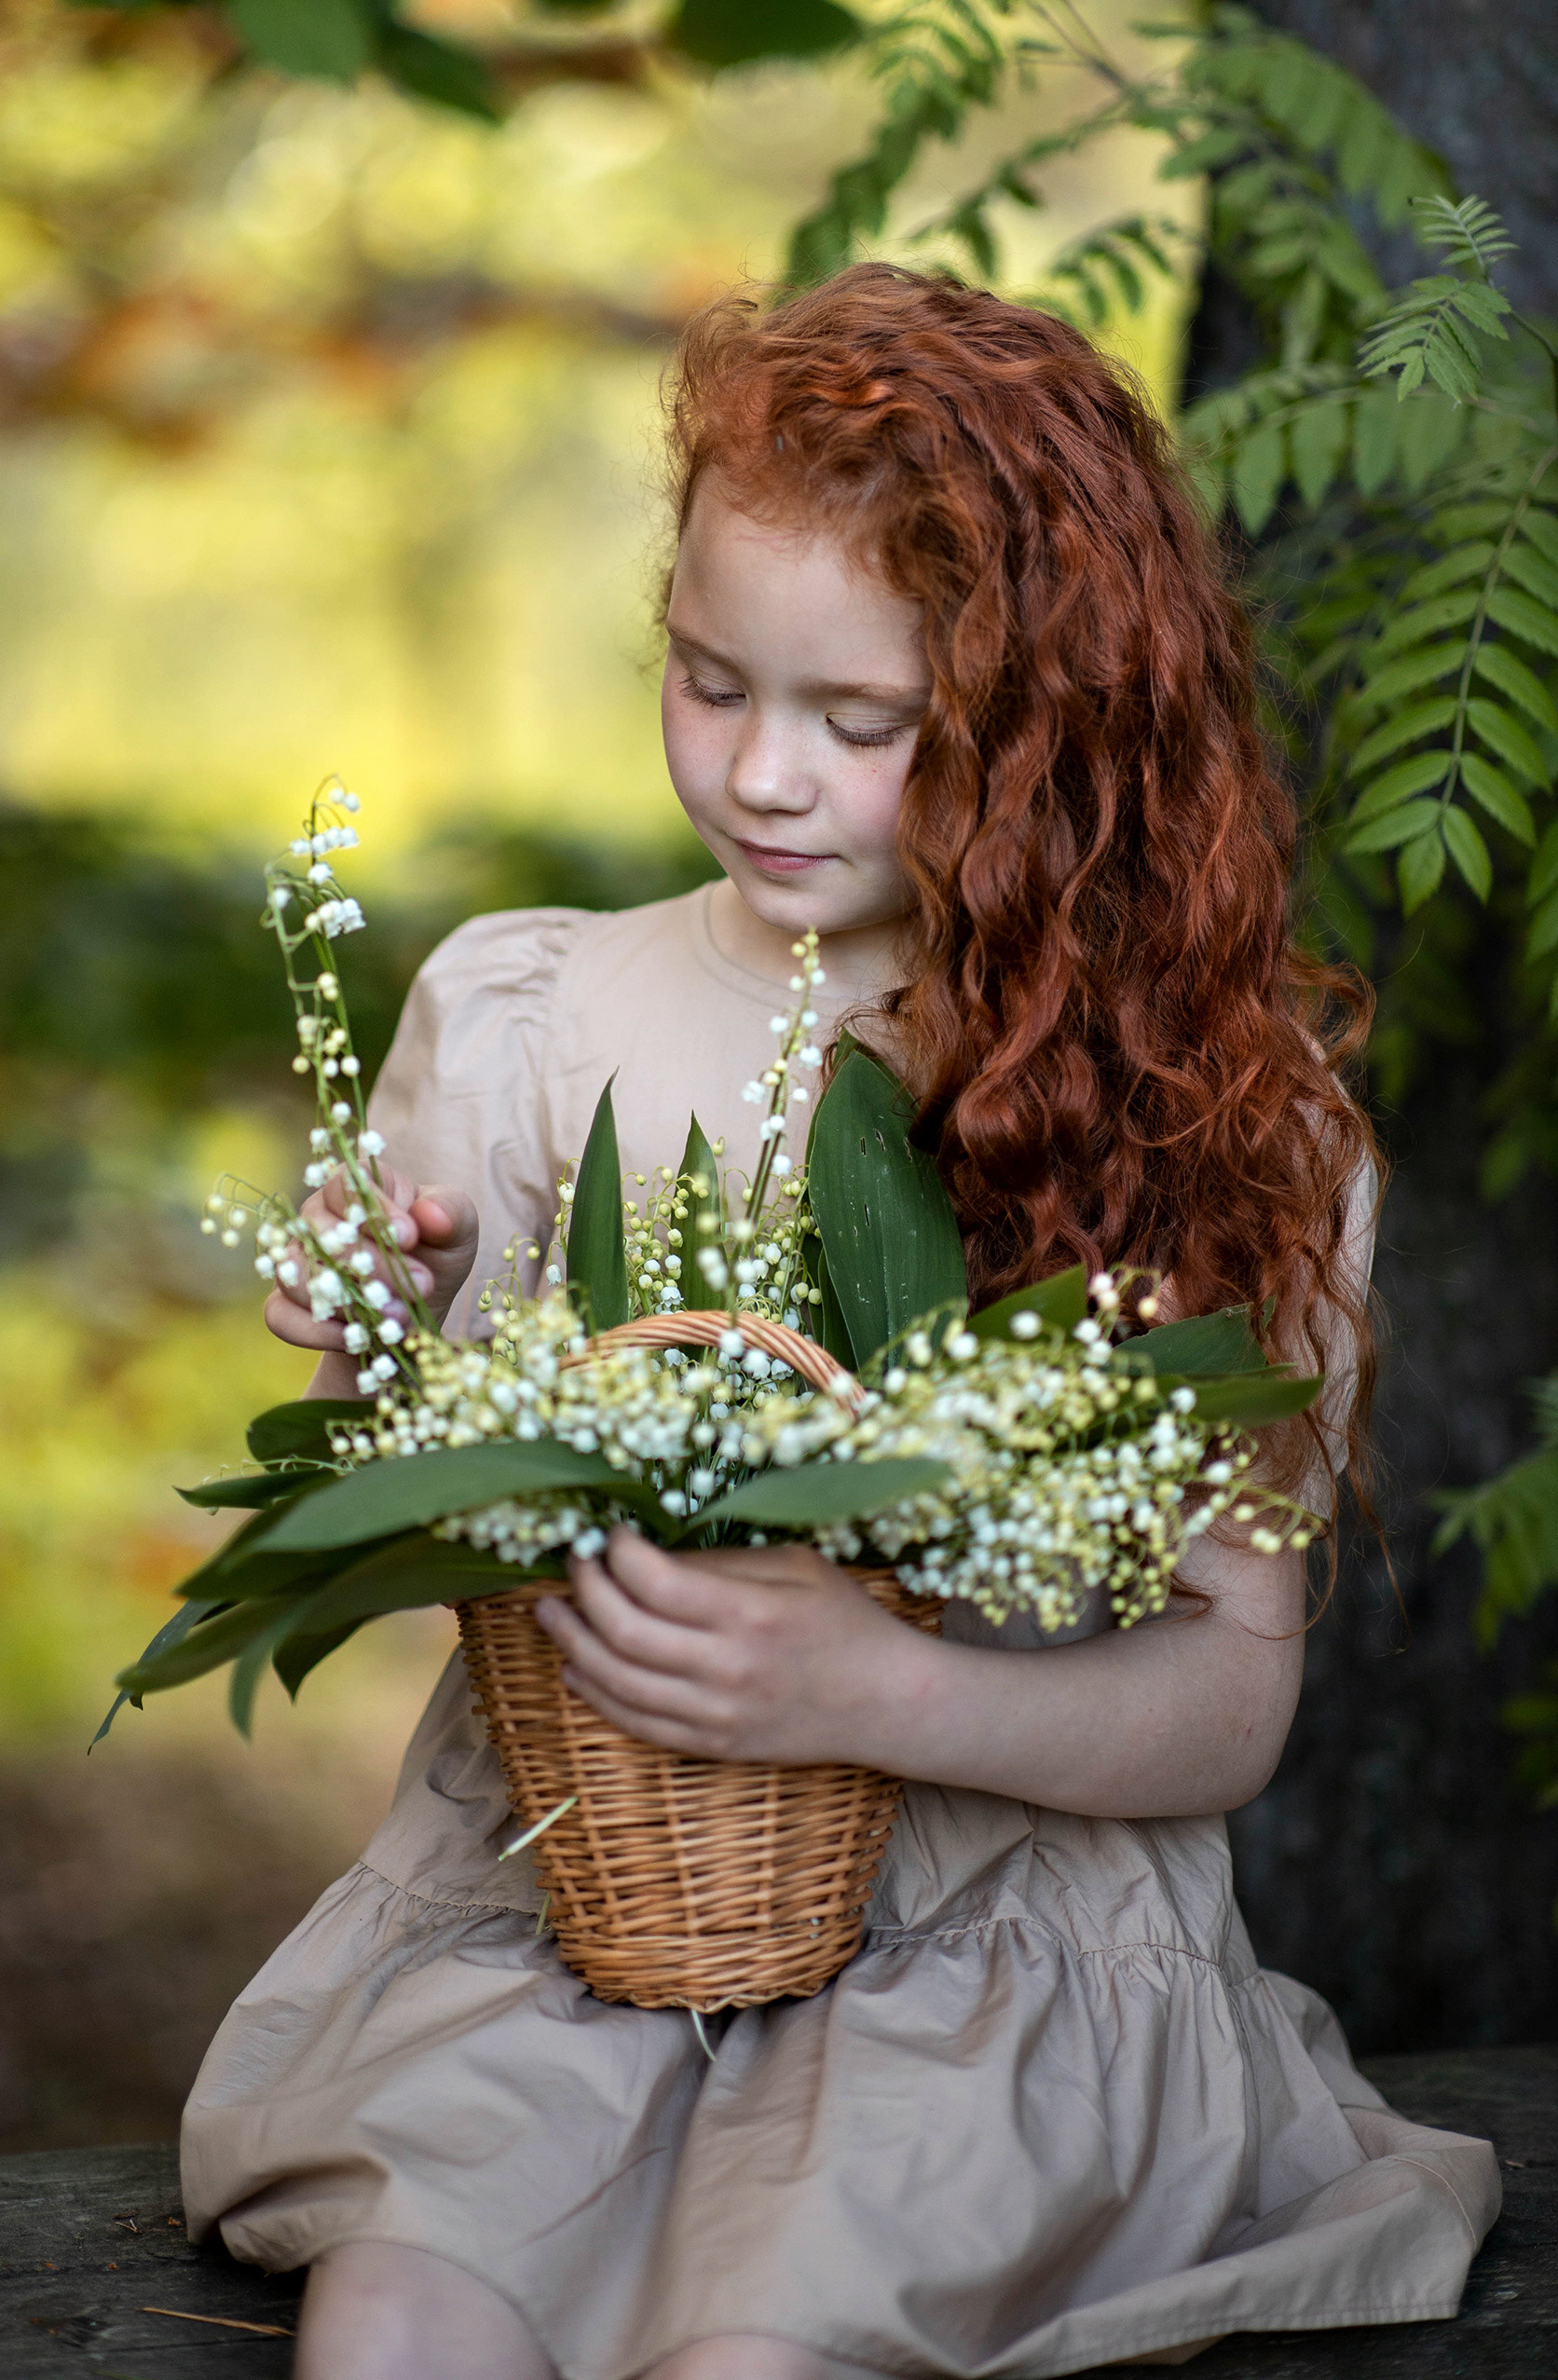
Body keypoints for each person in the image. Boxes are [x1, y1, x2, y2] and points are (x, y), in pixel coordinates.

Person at [181, 267, 1499, 2380]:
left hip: (992, 1968)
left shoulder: (1213, 1131)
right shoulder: (533, 1018)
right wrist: (376, 1344)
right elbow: (474, 1538)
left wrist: (873, 1690)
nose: (763, 774)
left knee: (769, 2343)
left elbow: (1224, 1707)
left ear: (1052, 725)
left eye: (862, 724)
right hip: (568, 1926)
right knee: (404, 2316)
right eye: (709, 682)